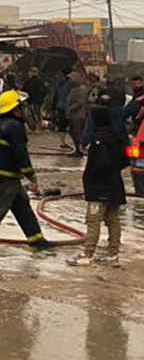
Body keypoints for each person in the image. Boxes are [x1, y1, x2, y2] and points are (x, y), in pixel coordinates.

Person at [0, 90, 55, 252]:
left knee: (22, 207)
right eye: (22, 107)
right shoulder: (15, 127)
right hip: (8, 176)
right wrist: (31, 176)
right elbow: (21, 153)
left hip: (1, 172)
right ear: (15, 109)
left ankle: (36, 239)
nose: (24, 110)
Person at [68, 105, 129, 267]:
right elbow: (125, 160)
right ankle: (113, 254)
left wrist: (91, 177)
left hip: (99, 188)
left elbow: (100, 163)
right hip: (115, 185)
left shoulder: (98, 139)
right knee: (113, 220)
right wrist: (113, 172)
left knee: (93, 220)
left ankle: (87, 254)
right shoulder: (118, 136)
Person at [66, 72, 90, 157]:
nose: (69, 81)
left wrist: (70, 108)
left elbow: (80, 102)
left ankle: (79, 150)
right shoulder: (73, 89)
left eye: (70, 79)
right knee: (72, 132)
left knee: (77, 133)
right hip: (72, 115)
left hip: (78, 115)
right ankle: (77, 149)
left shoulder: (81, 89)